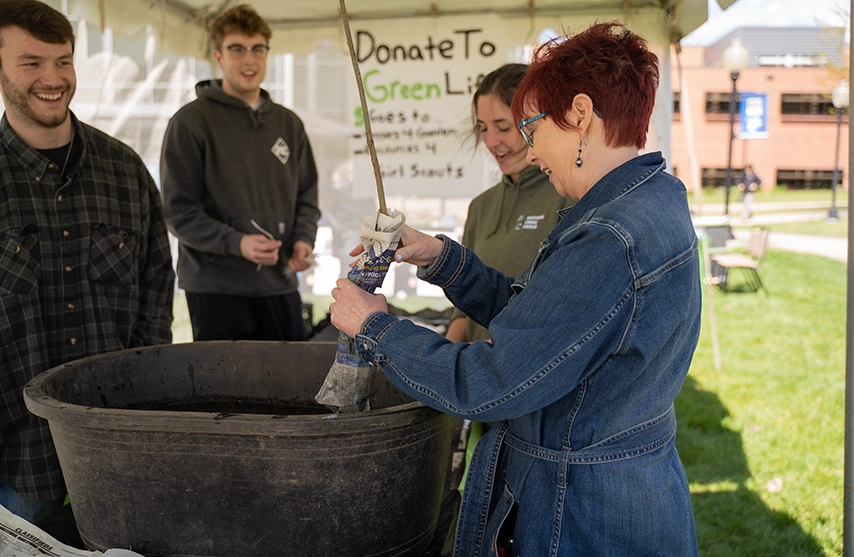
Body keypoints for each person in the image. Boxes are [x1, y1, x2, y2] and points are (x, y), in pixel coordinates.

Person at [330, 22, 701, 556]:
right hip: (627, 490)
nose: (529, 152)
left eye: (531, 128)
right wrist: (443, 259)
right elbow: (548, 327)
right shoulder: (654, 198)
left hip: (583, 516)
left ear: (578, 115)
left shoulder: (608, 237)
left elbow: (494, 381)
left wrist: (375, 329)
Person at [0, 0, 175, 523]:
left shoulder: (125, 170)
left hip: (118, 446)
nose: (52, 78)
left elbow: (156, 295)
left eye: (63, 61)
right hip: (18, 455)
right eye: (31, 63)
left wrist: (145, 408)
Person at [160, 4, 320, 341]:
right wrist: (238, 243)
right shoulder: (190, 123)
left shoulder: (287, 124)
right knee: (223, 390)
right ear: (218, 56)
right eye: (237, 49)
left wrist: (303, 240)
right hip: (215, 289)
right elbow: (179, 213)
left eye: (257, 49)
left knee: (290, 386)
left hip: (278, 284)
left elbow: (307, 195)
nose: (249, 60)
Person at [445, 63, 575, 343]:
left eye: (503, 128)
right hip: (480, 376)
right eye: (482, 128)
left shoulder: (568, 194)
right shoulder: (481, 206)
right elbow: (462, 310)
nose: (491, 142)